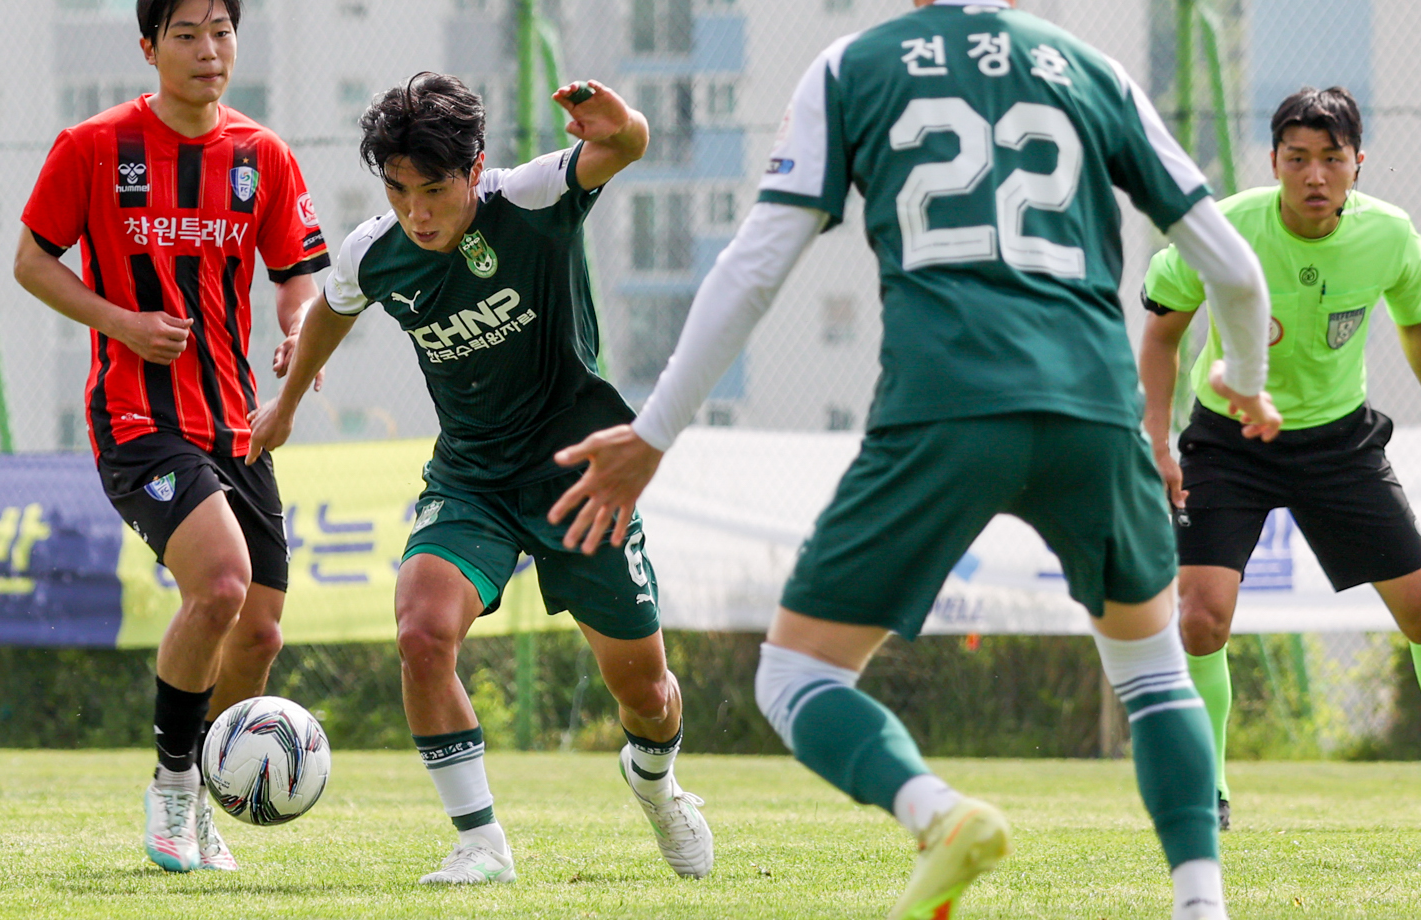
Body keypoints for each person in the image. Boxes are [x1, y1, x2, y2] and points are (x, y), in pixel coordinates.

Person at [547, 2, 1281, 918]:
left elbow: (753, 268)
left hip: (944, 410)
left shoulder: (853, 67)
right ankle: (1202, 904)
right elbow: (1236, 270)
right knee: (1155, 674)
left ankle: (938, 815)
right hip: (1094, 412)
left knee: (797, 676)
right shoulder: (1091, 70)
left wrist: (654, 432)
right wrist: (1246, 379)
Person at [246, 73, 713, 885]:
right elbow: (331, 308)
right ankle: (481, 844)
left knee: (646, 695)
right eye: (398, 192)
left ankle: (656, 782)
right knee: (421, 633)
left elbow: (624, 147)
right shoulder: (376, 251)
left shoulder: (530, 198)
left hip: (580, 477)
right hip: (472, 479)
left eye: (434, 190)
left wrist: (624, 122)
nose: (416, 213)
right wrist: (284, 405)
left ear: (474, 169)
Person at [13, 0, 330, 874]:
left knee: (259, 636)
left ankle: (213, 800)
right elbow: (31, 261)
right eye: (186, 34)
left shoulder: (263, 155)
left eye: (221, 31)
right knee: (221, 583)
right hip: (138, 420)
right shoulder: (93, 146)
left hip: (237, 424)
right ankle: (174, 786)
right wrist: (121, 321)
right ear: (149, 47)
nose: (207, 49)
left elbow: (298, 275)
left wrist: (296, 330)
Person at [1140, 85, 1421, 832]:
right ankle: (1206, 788)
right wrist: (1157, 440)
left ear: (1358, 163)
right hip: (1229, 444)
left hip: (1339, 443)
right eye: (1297, 159)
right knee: (1200, 619)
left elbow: (1416, 326)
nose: (1315, 175)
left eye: (1332, 158)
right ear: (1273, 162)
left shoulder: (1392, 236)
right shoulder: (1223, 229)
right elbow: (1162, 333)